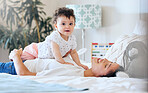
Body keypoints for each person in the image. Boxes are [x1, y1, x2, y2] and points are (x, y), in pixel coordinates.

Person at [19, 7, 88, 70]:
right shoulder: (55, 36)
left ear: (74, 25)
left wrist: (79, 64)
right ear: (56, 26)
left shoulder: (72, 38)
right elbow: (56, 52)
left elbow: (73, 53)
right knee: (22, 61)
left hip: (41, 55)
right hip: (36, 50)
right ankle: (15, 58)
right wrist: (62, 62)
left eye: (70, 24)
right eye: (63, 24)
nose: (67, 26)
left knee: (30, 65)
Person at [0, 48, 120, 77]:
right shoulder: (80, 69)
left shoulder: (71, 74)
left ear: (101, 76)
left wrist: (16, 56)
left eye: (106, 65)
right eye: (109, 61)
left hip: (13, 68)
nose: (104, 59)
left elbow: (24, 74)